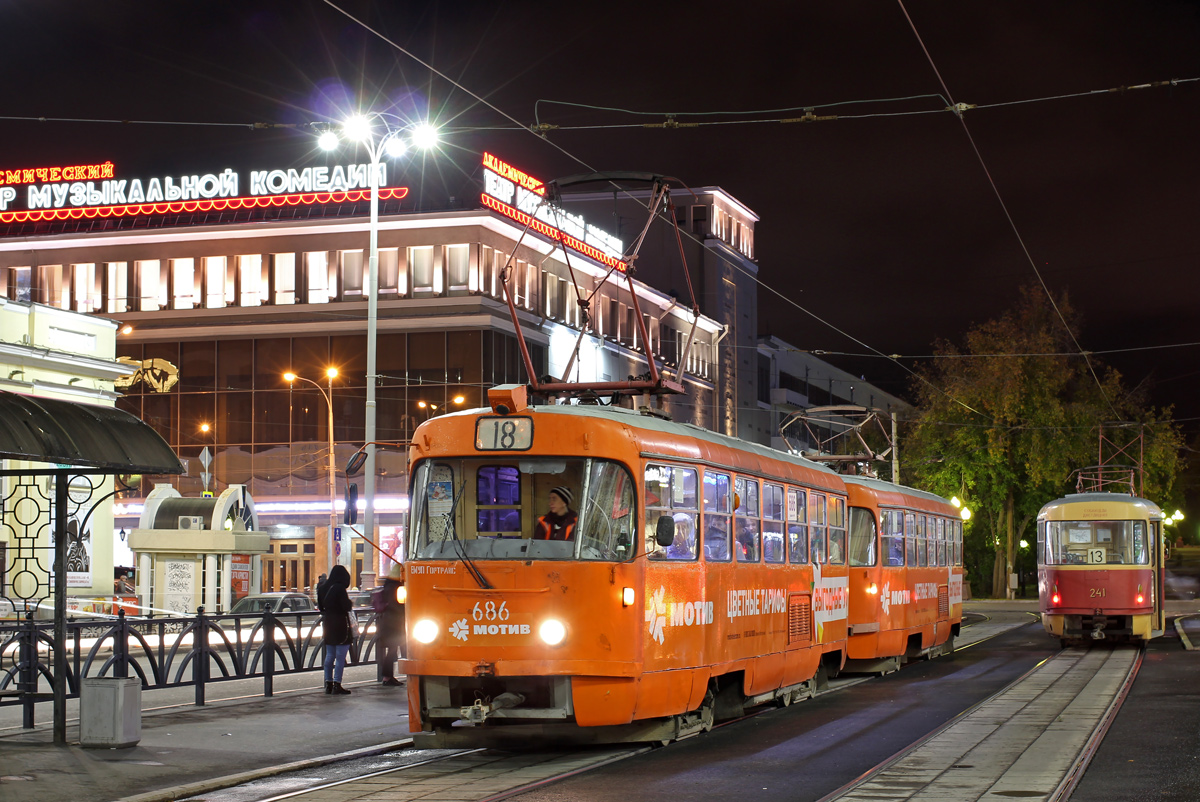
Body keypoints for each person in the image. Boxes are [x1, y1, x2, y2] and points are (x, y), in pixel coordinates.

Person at [317, 564, 354, 695]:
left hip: (328, 624)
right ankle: (337, 684)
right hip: (341, 625)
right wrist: (350, 603)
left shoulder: (323, 588)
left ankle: (328, 683)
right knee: (340, 656)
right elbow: (346, 606)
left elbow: (321, 607)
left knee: (329, 655)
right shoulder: (339, 588)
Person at [378, 563, 406, 687]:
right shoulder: (396, 588)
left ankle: (388, 677)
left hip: (389, 622)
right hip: (394, 623)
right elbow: (398, 605)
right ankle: (387, 677)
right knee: (394, 650)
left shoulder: (388, 586)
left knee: (393, 650)